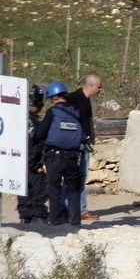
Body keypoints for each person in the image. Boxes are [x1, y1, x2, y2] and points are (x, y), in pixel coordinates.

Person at [35, 81, 85, 226]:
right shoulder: (76, 112)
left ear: (54, 97)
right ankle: (75, 222)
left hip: (54, 158)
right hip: (73, 158)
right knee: (73, 191)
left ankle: (55, 222)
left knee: (54, 190)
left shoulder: (52, 112)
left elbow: (39, 133)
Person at [60, 74, 103, 221]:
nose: (100, 90)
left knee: (81, 177)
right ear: (91, 86)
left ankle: (79, 209)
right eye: (99, 87)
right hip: (75, 145)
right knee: (72, 177)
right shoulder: (74, 98)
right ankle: (67, 209)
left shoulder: (85, 99)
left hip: (84, 145)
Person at [17, 84, 49, 224]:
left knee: (24, 191)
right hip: (31, 162)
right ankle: (38, 216)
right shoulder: (32, 122)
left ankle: (26, 216)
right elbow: (35, 143)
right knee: (39, 190)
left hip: (20, 161)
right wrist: (37, 163)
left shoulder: (19, 117)